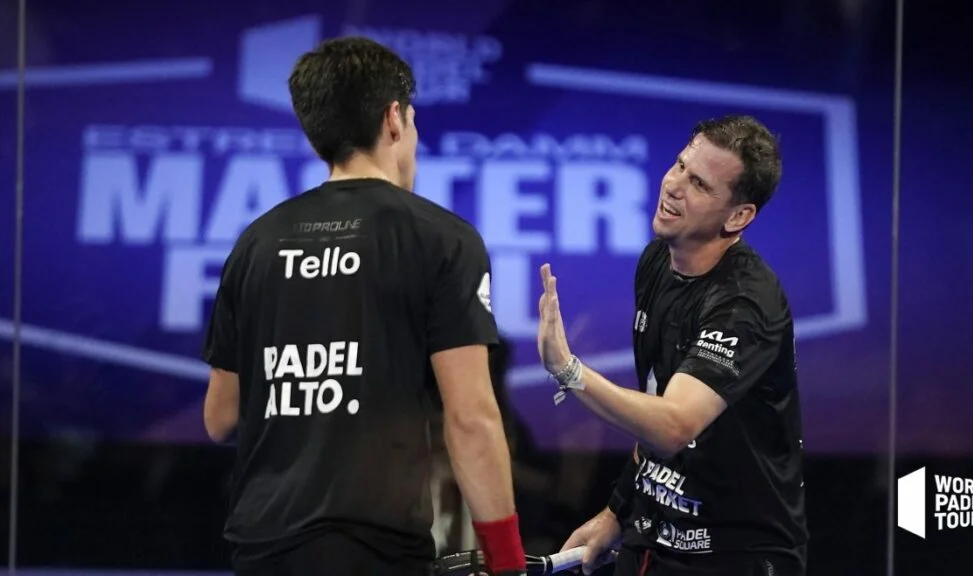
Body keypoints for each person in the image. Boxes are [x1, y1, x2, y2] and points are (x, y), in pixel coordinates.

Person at [201, 36, 526, 576]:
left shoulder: (256, 242)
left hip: (261, 547)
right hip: (374, 550)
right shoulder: (441, 238)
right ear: (394, 119)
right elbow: (470, 418)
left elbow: (219, 416)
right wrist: (507, 561)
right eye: (415, 122)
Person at [537, 116, 809, 575]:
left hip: (735, 556)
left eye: (699, 183)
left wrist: (568, 369)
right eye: (680, 164)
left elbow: (674, 425)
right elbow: (654, 405)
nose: (674, 185)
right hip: (654, 538)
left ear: (738, 216)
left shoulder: (745, 302)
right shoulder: (657, 262)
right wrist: (617, 512)